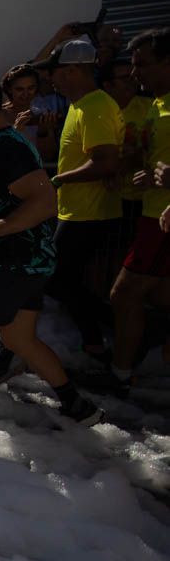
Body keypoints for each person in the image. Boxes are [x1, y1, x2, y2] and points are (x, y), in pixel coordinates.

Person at [0, 71, 104, 435]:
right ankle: (75, 404)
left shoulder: (6, 147)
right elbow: (10, 198)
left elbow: (45, 201)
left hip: (14, 262)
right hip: (28, 262)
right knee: (19, 339)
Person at [37, 37, 123, 361]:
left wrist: (58, 180)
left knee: (56, 278)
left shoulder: (96, 106)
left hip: (91, 212)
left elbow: (105, 162)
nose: (51, 79)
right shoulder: (78, 105)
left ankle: (108, 334)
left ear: (72, 71)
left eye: (55, 71)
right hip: (77, 210)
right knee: (61, 279)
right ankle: (97, 340)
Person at [110, 28, 170, 394]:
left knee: (124, 294)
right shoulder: (156, 104)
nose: (135, 74)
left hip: (161, 220)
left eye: (142, 65)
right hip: (152, 212)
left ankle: (119, 373)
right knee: (160, 295)